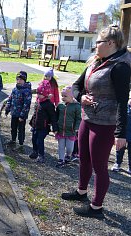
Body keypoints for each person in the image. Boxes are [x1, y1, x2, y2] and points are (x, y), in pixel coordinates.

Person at [61, 25, 131, 219]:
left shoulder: (120, 67)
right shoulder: (95, 62)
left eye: (98, 42)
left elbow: (122, 101)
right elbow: (76, 86)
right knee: (84, 158)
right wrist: (80, 97)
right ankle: (81, 192)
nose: (95, 45)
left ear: (110, 43)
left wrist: (121, 133)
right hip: (87, 118)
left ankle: (96, 207)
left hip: (105, 124)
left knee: (99, 165)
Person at [29, 80, 57, 163]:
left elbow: (53, 116)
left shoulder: (49, 105)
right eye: (38, 93)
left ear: (45, 94)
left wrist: (54, 127)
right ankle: (35, 151)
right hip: (36, 125)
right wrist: (32, 123)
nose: (38, 95)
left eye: (40, 94)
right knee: (34, 139)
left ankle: (41, 155)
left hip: (44, 127)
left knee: (39, 141)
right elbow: (35, 113)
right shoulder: (38, 102)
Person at [54, 86, 81, 168]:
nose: (63, 98)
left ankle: (68, 155)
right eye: (62, 96)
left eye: (65, 96)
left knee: (70, 148)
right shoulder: (60, 105)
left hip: (71, 131)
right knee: (61, 146)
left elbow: (78, 118)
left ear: (72, 96)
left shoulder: (76, 106)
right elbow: (56, 116)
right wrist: (54, 127)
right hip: (61, 130)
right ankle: (61, 159)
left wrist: (76, 127)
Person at [5, 71, 32, 148]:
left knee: (21, 129)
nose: (19, 81)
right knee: (13, 127)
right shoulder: (15, 89)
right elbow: (10, 99)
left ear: (24, 80)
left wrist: (22, 115)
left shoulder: (27, 91)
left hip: (21, 115)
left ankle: (20, 144)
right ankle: (13, 140)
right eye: (17, 79)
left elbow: (26, 105)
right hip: (14, 112)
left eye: (21, 79)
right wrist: (7, 108)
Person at [112, 98, 131, 175]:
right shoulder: (124, 107)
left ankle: (130, 166)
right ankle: (117, 163)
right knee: (119, 149)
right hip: (123, 133)